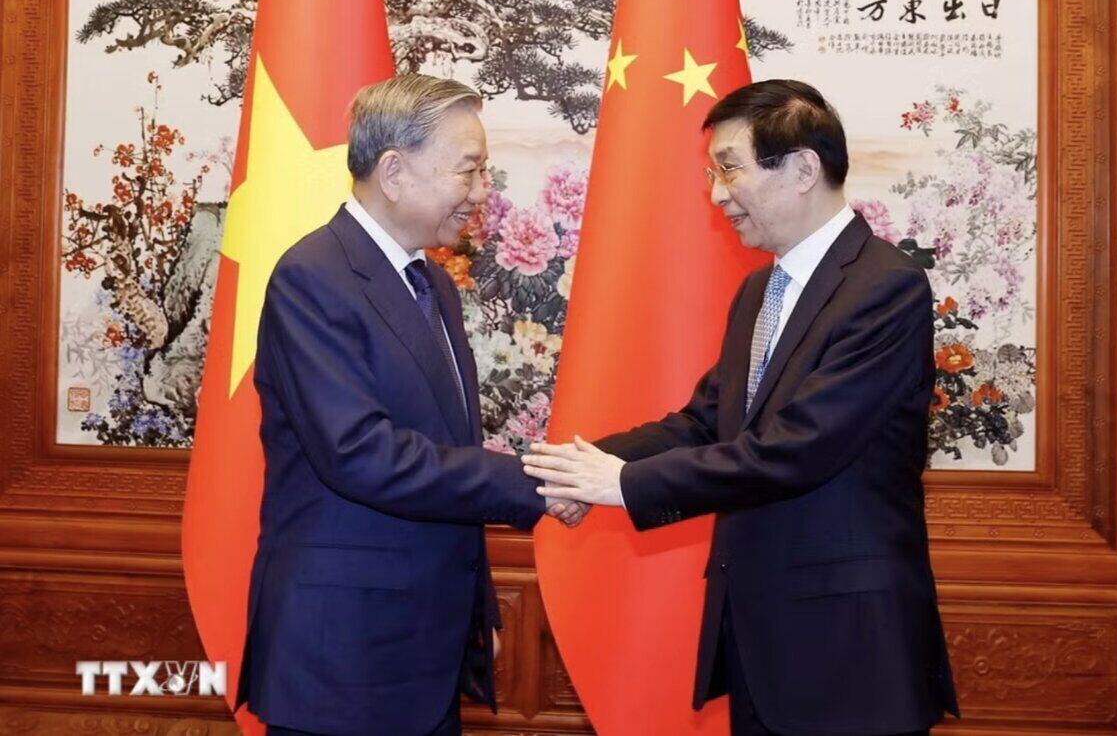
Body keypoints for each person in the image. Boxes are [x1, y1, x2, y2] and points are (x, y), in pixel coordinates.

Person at [523, 79, 959, 735]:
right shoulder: (761, 289)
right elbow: (703, 422)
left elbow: (797, 447)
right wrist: (584, 464)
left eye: (730, 169)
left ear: (803, 168)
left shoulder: (883, 288)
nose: (717, 195)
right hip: (761, 637)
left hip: (848, 648)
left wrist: (624, 486)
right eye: (711, 173)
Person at [236, 73, 585, 736]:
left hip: (420, 647)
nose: (482, 193)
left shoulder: (430, 284)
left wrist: (471, 618)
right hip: (344, 657)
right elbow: (363, 456)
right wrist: (533, 482)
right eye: (470, 171)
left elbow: (442, 448)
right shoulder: (314, 278)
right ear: (393, 171)